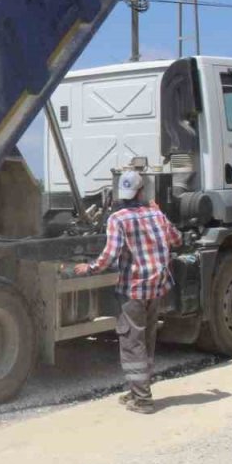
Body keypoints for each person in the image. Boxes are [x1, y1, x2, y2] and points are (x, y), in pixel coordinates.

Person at [74, 170, 181, 414]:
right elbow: (176, 240)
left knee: (132, 343)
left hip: (132, 289)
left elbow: (110, 255)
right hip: (156, 288)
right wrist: (159, 211)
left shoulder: (118, 219)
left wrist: (89, 268)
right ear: (142, 191)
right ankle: (137, 390)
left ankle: (142, 399)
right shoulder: (156, 213)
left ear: (122, 194)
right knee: (146, 340)